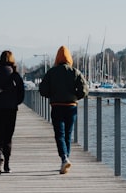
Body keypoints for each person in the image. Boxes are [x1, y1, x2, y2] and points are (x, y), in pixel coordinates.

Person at [38, 45, 89, 174]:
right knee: (68, 134)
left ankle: (64, 158)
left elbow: (43, 90)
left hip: (57, 106)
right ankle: (66, 159)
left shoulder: (51, 72)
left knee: (59, 134)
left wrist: (52, 95)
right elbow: (84, 89)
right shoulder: (75, 72)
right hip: (71, 107)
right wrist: (76, 97)